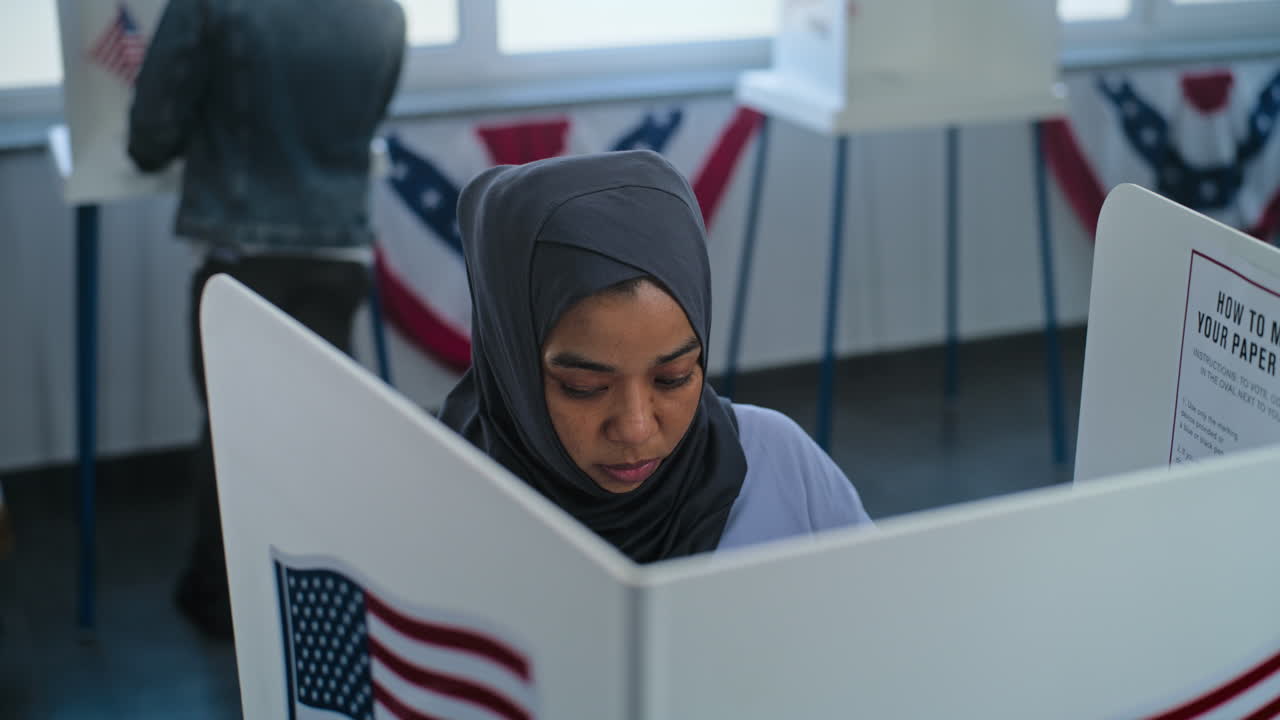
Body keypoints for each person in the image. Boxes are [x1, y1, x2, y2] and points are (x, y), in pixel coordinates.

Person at [440, 150, 871, 563]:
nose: (635, 429)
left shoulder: (778, 461)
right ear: (511, 362)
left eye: (675, 377)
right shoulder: (437, 505)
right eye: (584, 388)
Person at [127, 0, 406, 637]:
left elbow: (150, 137)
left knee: (232, 433)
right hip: (339, 245)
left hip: (240, 251)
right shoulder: (383, 12)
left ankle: (224, 599)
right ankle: (325, 595)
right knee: (323, 430)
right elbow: (369, 115)